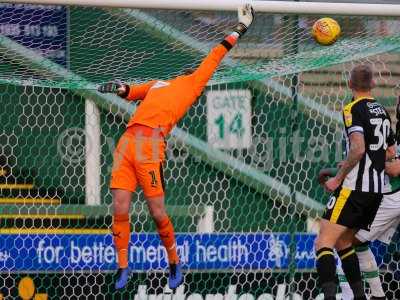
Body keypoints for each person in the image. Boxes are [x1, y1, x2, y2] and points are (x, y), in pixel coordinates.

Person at [97, 4, 254, 290]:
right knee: (119, 208)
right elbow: (132, 91)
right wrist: (119, 87)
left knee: (157, 212)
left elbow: (216, 55)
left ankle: (173, 261)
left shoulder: (194, 84)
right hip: (127, 142)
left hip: (150, 147)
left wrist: (240, 28)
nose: (195, 69)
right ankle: (122, 267)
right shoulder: (159, 84)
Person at [314, 65, 395, 300]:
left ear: (350, 85)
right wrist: (354, 162)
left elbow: (358, 148)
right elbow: (389, 152)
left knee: (323, 243)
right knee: (344, 243)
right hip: (375, 191)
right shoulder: (382, 111)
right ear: (372, 85)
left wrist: (338, 178)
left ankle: (329, 297)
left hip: (354, 188)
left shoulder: (352, 108)